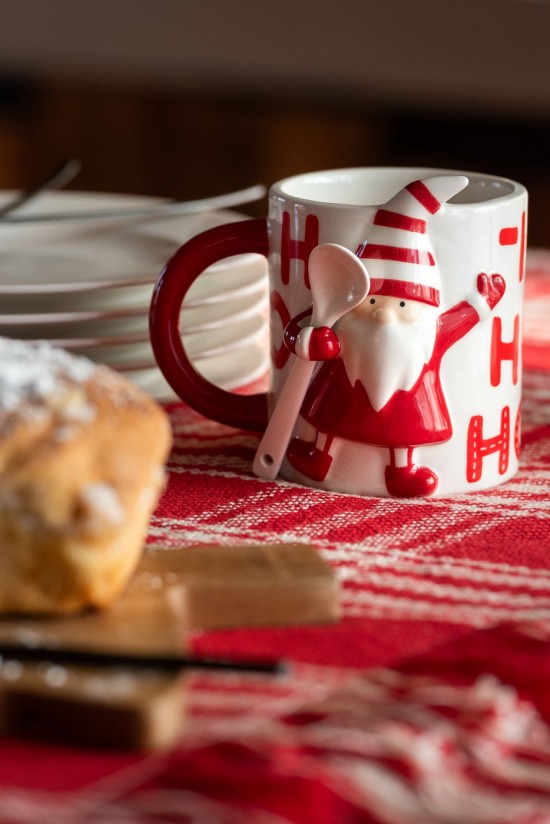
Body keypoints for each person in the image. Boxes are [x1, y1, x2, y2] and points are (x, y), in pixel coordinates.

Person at [283, 175, 506, 497]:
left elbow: (461, 320)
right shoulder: (335, 314)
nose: (384, 314)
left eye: (403, 304)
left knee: (402, 434)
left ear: (422, 304)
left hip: (405, 402)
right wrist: (311, 340)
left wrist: (482, 302)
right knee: (329, 422)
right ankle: (318, 456)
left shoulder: (431, 332)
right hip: (344, 392)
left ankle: (401, 472)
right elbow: (298, 330)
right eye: (371, 301)